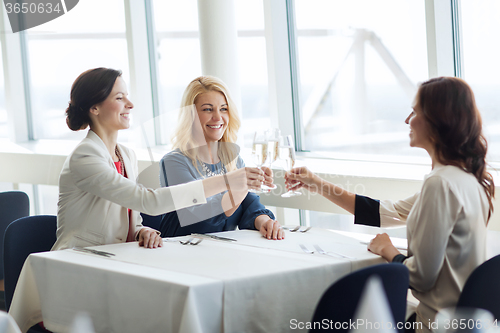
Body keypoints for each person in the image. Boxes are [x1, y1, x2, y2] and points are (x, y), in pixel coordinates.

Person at [285, 77, 494, 333]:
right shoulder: (466, 179)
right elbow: (385, 212)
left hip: (434, 326)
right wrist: (315, 183)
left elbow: (420, 278)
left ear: (437, 121)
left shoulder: (440, 184)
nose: (408, 120)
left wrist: (388, 250)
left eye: (415, 111)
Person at [53, 68, 268, 251]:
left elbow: (130, 215)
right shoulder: (85, 156)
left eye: (127, 96)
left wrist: (140, 231)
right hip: (80, 259)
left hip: (117, 256)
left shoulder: (126, 155)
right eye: (120, 98)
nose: (130, 104)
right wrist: (228, 180)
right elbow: (149, 202)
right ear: (95, 108)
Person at [159, 75, 284, 240]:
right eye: (208, 109)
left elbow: (249, 205)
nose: (218, 117)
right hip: (184, 255)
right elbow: (200, 220)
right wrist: (241, 185)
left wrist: (264, 222)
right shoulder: (173, 163)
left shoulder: (233, 160)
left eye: (224, 109)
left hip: (223, 253)